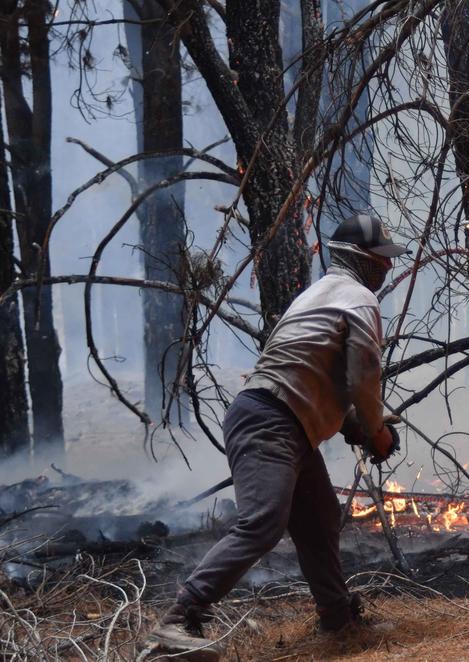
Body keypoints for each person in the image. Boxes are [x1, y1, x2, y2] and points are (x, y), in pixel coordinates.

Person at [145, 215, 407, 660]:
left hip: (280, 419)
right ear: (361, 260)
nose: (387, 269)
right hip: (272, 421)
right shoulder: (359, 300)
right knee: (263, 522)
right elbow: (364, 376)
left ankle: (339, 621)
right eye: (381, 260)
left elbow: (312, 374)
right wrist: (376, 432)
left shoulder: (317, 296)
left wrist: (352, 425)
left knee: (320, 518)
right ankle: (177, 620)